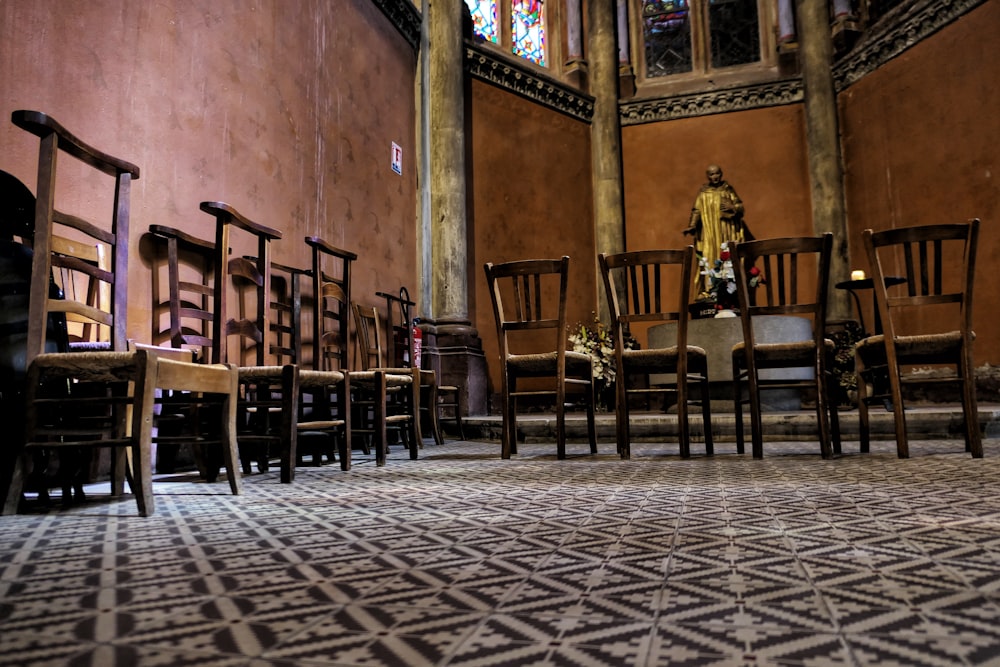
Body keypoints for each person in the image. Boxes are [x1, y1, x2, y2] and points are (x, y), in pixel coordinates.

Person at [684, 164, 753, 295]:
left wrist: (733, 207)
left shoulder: (728, 190)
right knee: (709, 259)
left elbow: (740, 208)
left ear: (721, 174)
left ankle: (730, 291)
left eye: (717, 173)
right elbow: (696, 210)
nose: (715, 177)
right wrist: (692, 226)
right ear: (707, 176)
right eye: (711, 174)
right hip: (709, 234)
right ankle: (710, 291)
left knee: (727, 259)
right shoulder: (703, 193)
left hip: (726, 231)